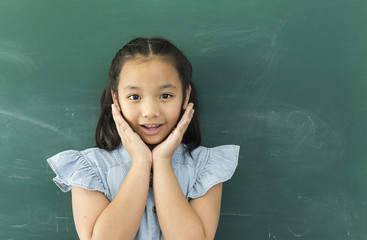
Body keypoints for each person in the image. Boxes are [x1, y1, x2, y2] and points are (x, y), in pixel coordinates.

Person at [47, 37, 239, 240]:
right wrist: (140, 162)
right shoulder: (89, 169)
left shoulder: (205, 167)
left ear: (185, 95)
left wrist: (163, 162)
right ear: (116, 99)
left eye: (165, 96)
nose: (150, 112)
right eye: (135, 97)